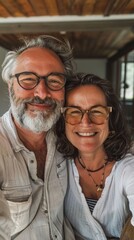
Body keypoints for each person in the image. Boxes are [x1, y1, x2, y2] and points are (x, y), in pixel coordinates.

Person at [0, 35, 76, 240]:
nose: (42, 93)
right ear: (10, 85)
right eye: (28, 79)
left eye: (54, 81)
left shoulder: (69, 136)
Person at [56, 73, 134, 240]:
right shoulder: (55, 166)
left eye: (97, 111)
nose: (86, 122)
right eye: (74, 112)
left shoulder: (128, 168)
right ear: (62, 120)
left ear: (110, 119)